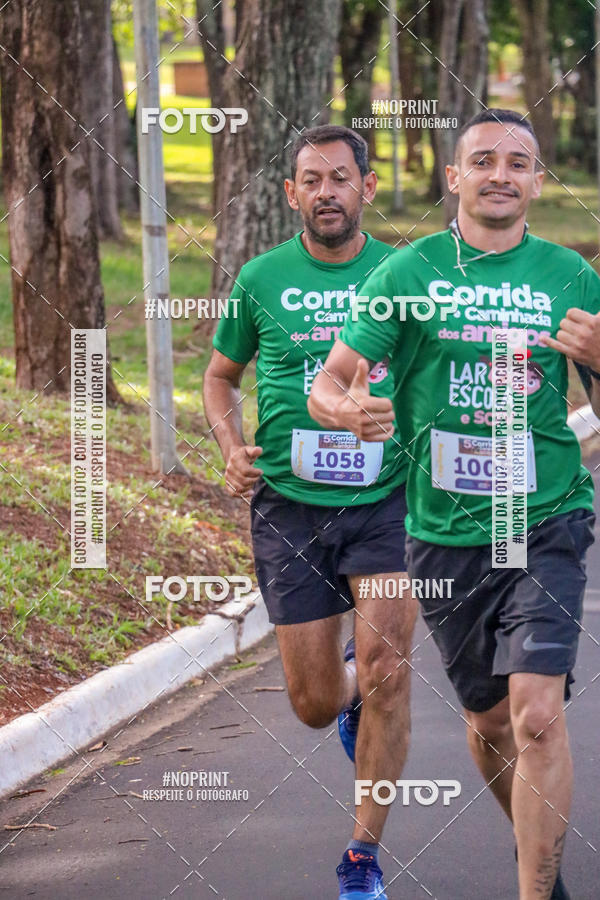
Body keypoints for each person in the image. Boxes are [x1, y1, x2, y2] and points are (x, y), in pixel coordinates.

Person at [308, 109, 600, 900]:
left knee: (537, 712)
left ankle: (535, 892)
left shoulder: (572, 276)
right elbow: (329, 382)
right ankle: (539, 856)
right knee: (492, 722)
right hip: (442, 529)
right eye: (485, 160)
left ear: (538, 179)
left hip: (543, 516)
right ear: (455, 177)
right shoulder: (409, 275)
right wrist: (345, 412)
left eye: (519, 161)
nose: (501, 173)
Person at [203, 124, 418, 900]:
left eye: (340, 177)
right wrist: (231, 445)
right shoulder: (261, 278)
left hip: (389, 503)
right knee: (315, 703)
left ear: (365, 187)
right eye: (310, 179)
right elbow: (220, 377)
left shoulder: (406, 276)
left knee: (392, 670)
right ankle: (350, 685)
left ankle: (362, 858)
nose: (326, 191)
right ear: (291, 193)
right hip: (289, 510)